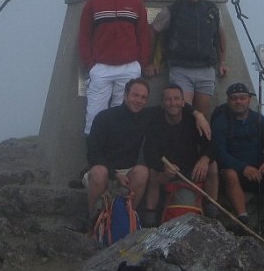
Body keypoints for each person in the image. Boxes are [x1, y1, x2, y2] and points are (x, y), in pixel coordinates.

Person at [85, 78, 212, 222]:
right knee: (99, 172)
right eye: (135, 95)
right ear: (125, 95)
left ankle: (126, 220)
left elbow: (175, 106)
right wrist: (114, 174)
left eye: (143, 97)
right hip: (104, 169)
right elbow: (93, 154)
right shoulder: (104, 117)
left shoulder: (147, 115)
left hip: (129, 172)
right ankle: (93, 221)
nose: (138, 100)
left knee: (143, 171)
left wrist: (197, 114)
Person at [79, 0, 152, 134]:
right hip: (101, 68)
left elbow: (144, 35)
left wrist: (140, 63)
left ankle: (119, 158)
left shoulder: (136, 3)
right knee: (95, 115)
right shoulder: (93, 3)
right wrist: (91, 65)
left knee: (124, 115)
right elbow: (84, 35)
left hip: (129, 68)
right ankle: (95, 159)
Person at [212, 83, 264, 234]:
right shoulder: (221, 123)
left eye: (242, 98)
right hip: (236, 171)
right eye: (234, 99)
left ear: (249, 99)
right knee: (230, 174)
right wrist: (242, 167)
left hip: (260, 170)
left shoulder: (259, 120)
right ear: (228, 100)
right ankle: (243, 219)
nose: (238, 102)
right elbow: (219, 152)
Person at [148, 0, 226, 117]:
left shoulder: (213, 10)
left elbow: (220, 36)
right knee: (183, 112)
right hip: (180, 69)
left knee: (202, 115)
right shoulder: (173, 9)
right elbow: (153, 31)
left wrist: (222, 62)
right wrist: (151, 61)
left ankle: (199, 141)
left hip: (206, 69)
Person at [142, 84, 218, 225]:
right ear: (162, 104)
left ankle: (211, 205)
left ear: (183, 102)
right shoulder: (155, 124)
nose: (173, 103)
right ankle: (150, 215)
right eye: (168, 100)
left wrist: (204, 158)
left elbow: (211, 144)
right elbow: (149, 154)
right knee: (152, 172)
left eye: (177, 99)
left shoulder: (193, 121)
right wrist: (163, 166)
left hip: (192, 171)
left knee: (212, 165)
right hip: (168, 172)